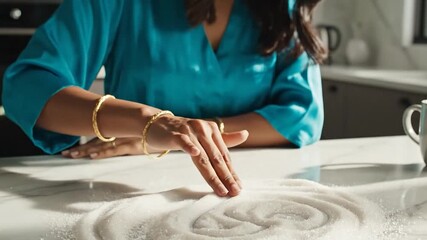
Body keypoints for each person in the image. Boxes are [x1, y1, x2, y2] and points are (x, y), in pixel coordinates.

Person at [2, 0, 326, 197]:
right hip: (131, 187)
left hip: (252, 189)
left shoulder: (280, 7)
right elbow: (28, 86)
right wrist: (145, 122)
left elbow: (302, 113)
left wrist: (188, 135)